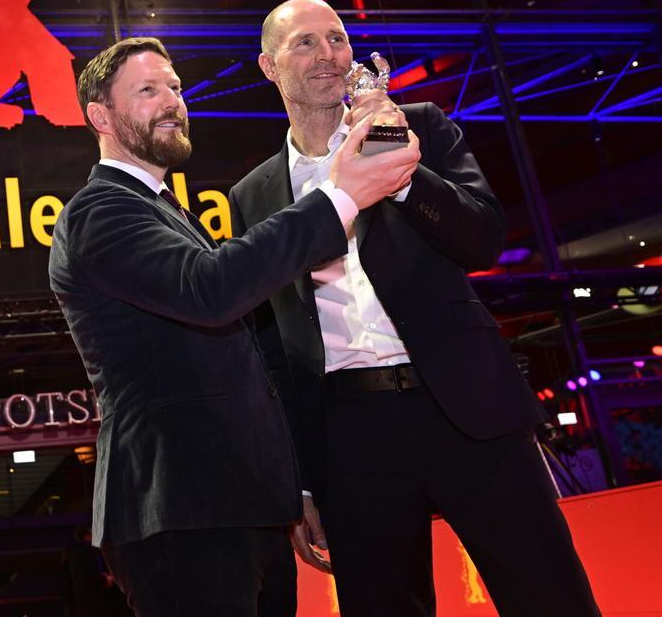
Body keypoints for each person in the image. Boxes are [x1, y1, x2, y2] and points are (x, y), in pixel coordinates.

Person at [229, 0, 601, 616]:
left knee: (548, 593)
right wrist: (298, 479)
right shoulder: (253, 193)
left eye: (338, 39)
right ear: (269, 66)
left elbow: (482, 238)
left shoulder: (418, 126)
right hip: (349, 435)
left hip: (466, 407)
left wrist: (398, 167)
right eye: (305, 43)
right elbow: (271, 349)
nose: (328, 55)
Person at [49, 36, 419, 616]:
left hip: (242, 506)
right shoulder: (100, 211)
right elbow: (212, 289)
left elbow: (242, 362)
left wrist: (288, 490)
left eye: (174, 86)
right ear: (101, 116)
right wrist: (339, 195)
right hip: (182, 509)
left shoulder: (164, 209)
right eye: (147, 90)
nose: (172, 101)